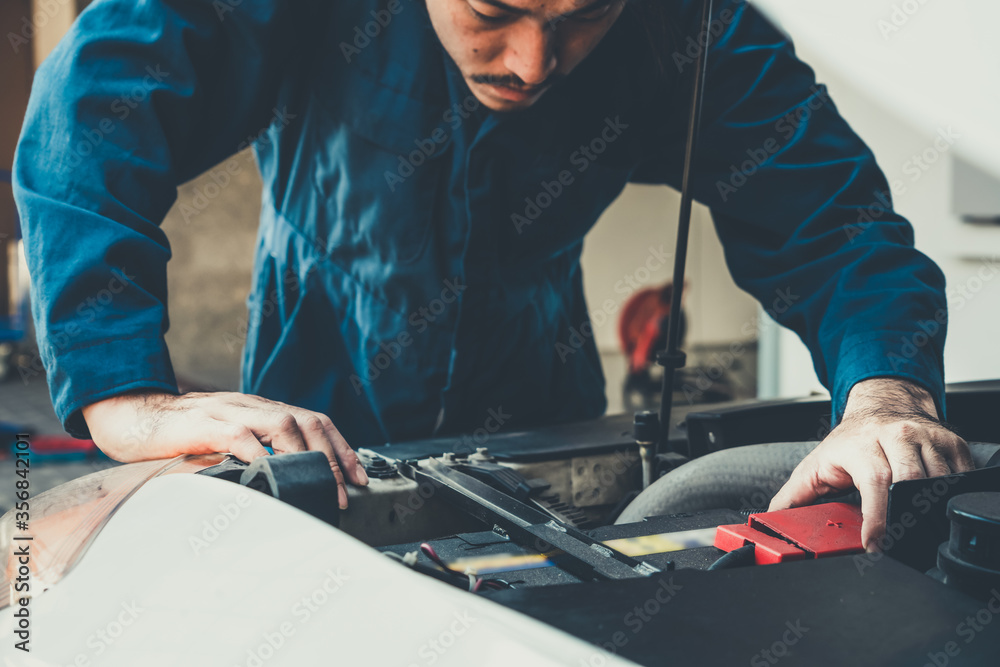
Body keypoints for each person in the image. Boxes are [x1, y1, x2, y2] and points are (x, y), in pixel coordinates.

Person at [13, 0, 971, 549]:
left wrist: (883, 394)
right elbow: (88, 119)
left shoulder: (685, 23)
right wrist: (124, 394)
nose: (532, 62)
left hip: (541, 378)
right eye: (493, 9)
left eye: (584, 14)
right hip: (313, 364)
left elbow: (831, 221)